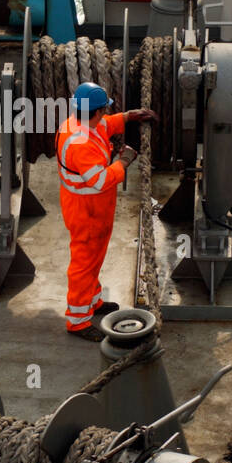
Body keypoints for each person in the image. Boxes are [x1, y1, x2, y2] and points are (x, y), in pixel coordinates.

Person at [56, 82, 159, 341]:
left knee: (95, 257)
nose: (105, 115)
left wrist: (128, 116)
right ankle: (78, 321)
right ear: (97, 110)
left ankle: (93, 302)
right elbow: (100, 180)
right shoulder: (80, 142)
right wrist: (124, 161)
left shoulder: (83, 123)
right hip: (85, 211)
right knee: (83, 263)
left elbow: (106, 126)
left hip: (96, 209)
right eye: (105, 110)